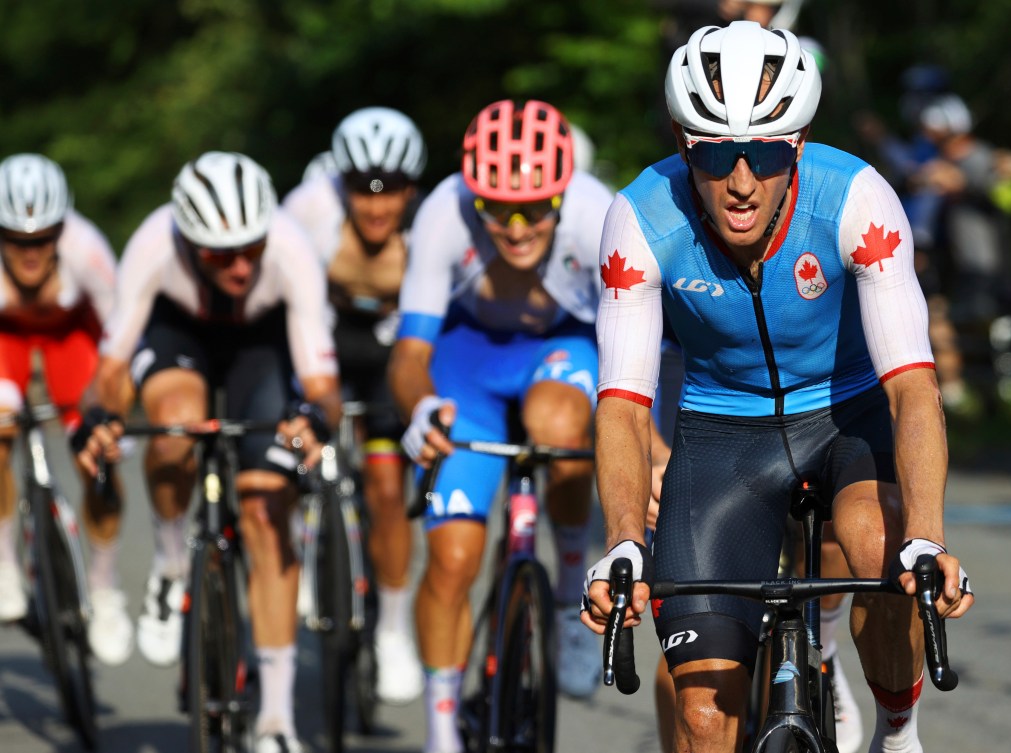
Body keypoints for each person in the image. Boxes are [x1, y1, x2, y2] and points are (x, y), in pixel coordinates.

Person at [581, 23, 973, 753]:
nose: (739, 180)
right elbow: (625, 403)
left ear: (797, 143)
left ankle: (897, 729)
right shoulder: (640, 218)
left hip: (849, 413)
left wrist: (927, 536)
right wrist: (623, 541)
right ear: (679, 142)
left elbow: (913, 388)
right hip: (721, 430)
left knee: (876, 543)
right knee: (701, 715)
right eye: (713, 152)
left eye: (763, 153)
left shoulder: (855, 198)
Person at [74, 151, 339, 753]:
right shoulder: (153, 243)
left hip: (262, 345)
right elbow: (110, 371)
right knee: (175, 428)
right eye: (222, 255)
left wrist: (310, 418)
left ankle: (275, 719)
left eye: (252, 248)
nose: (242, 266)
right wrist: (97, 418)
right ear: (190, 242)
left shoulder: (292, 251)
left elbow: (321, 383)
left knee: (269, 508)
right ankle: (171, 568)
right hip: (178, 332)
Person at [389, 99, 613, 753]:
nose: (516, 228)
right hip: (469, 368)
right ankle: (441, 729)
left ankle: (571, 586)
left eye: (536, 208)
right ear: (474, 198)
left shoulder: (597, 214)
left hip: (558, 354)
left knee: (558, 422)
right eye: (497, 209)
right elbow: (409, 354)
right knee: (453, 558)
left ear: (563, 195)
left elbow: (637, 348)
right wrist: (422, 408)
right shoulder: (441, 211)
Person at [282, 106, 427, 705]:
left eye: (390, 192)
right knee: (294, 443)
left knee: (390, 490)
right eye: (361, 193)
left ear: (411, 189)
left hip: (390, 350)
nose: (375, 207)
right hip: (327, 336)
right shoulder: (308, 211)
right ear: (339, 186)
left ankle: (392, 627)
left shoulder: (429, 224)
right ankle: (300, 531)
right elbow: (286, 303)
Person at [0, 153, 134, 666]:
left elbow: (120, 335)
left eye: (43, 238)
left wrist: (108, 413)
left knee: (100, 456)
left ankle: (104, 588)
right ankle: (7, 562)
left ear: (63, 228)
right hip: (6, 342)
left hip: (72, 339)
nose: (31, 252)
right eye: (15, 240)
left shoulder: (87, 250)